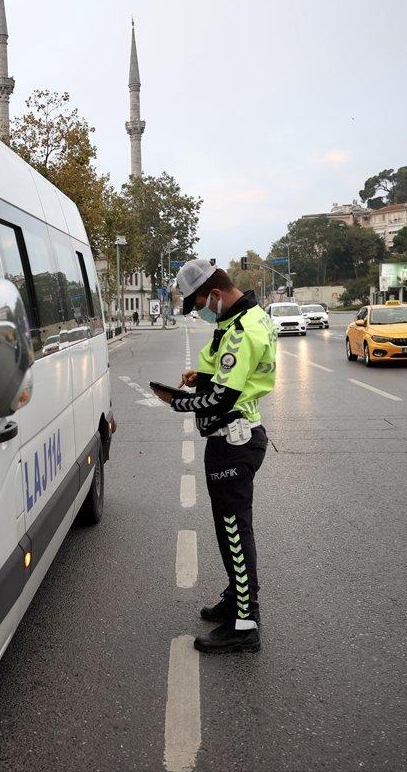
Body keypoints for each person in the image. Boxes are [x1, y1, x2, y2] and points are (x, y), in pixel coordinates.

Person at [152, 259, 277, 654]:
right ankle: (236, 599)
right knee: (232, 531)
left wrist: (179, 402)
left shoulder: (240, 332)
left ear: (217, 295)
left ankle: (245, 623)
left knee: (235, 533)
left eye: (199, 304)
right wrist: (200, 376)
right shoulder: (244, 320)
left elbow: (224, 397)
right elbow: (228, 377)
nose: (199, 312)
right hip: (237, 438)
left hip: (234, 442)